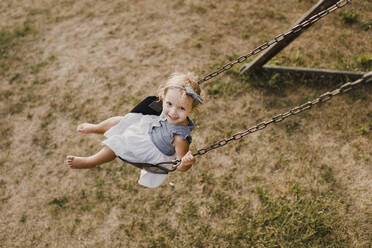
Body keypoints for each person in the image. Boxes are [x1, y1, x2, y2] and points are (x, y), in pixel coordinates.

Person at [65, 72, 202, 188]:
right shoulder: (166, 110)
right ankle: (97, 128)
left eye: (181, 108)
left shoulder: (179, 137)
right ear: (163, 98)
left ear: (192, 110)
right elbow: (167, 107)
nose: (173, 112)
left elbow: (179, 164)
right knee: (121, 120)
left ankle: (90, 161)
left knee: (118, 145)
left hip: (151, 148)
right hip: (149, 128)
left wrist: (186, 163)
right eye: (169, 104)